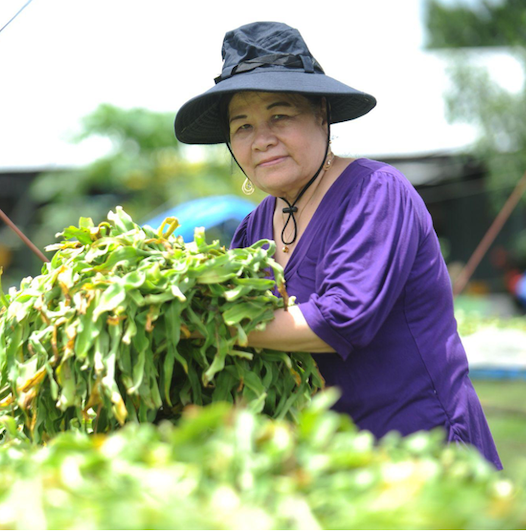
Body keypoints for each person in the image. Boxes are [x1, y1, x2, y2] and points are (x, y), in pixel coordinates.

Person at [174, 21, 501, 469]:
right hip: (332, 466)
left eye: (279, 116)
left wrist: (197, 325)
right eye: (243, 125)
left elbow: (342, 317)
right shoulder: (251, 233)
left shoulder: (376, 193)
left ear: (322, 114)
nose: (262, 138)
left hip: (424, 456)